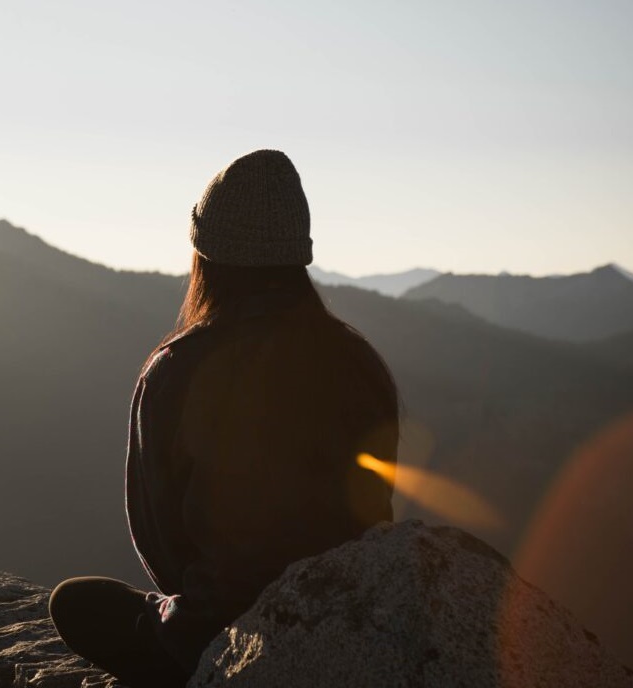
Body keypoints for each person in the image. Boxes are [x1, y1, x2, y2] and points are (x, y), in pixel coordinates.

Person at [48, 150, 399, 687]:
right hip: (350, 619)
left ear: (205, 256)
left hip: (221, 638)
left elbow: (159, 535)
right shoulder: (357, 363)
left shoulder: (177, 369)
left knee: (77, 602)